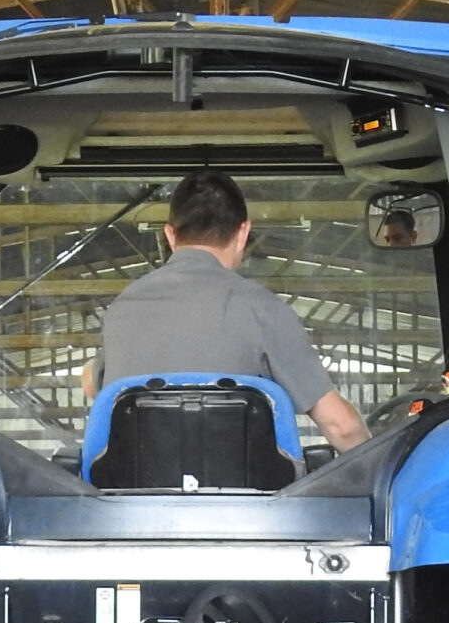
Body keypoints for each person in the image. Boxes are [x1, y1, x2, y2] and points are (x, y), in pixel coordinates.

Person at [93, 170, 371, 452]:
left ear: (170, 235)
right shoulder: (263, 309)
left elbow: (97, 387)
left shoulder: (122, 309)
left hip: (131, 494)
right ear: (243, 233)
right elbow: (342, 428)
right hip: (245, 494)